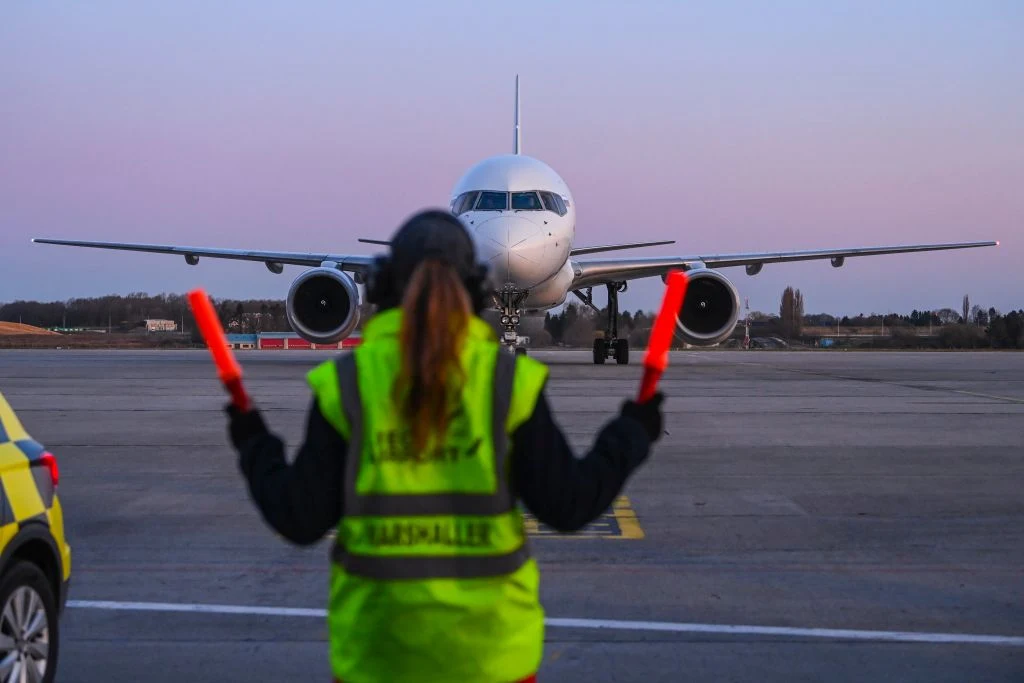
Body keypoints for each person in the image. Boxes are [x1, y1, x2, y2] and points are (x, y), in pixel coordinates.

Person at [226, 209, 665, 683]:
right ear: (478, 289)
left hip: (378, 658)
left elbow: (298, 517)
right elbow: (570, 504)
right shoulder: (506, 384)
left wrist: (253, 438)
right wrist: (633, 430)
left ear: (383, 286)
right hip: (493, 658)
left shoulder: (348, 384)